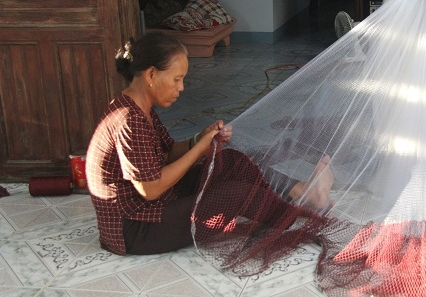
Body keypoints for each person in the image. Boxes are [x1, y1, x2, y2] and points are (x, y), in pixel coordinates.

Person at [85, 32, 332, 256]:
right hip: (136, 229)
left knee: (233, 161)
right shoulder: (128, 119)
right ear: (151, 75)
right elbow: (150, 189)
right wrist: (199, 150)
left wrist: (199, 139)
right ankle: (291, 215)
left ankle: (303, 196)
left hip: (156, 205)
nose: (181, 88)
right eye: (176, 79)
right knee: (235, 195)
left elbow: (168, 152)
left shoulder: (141, 108)